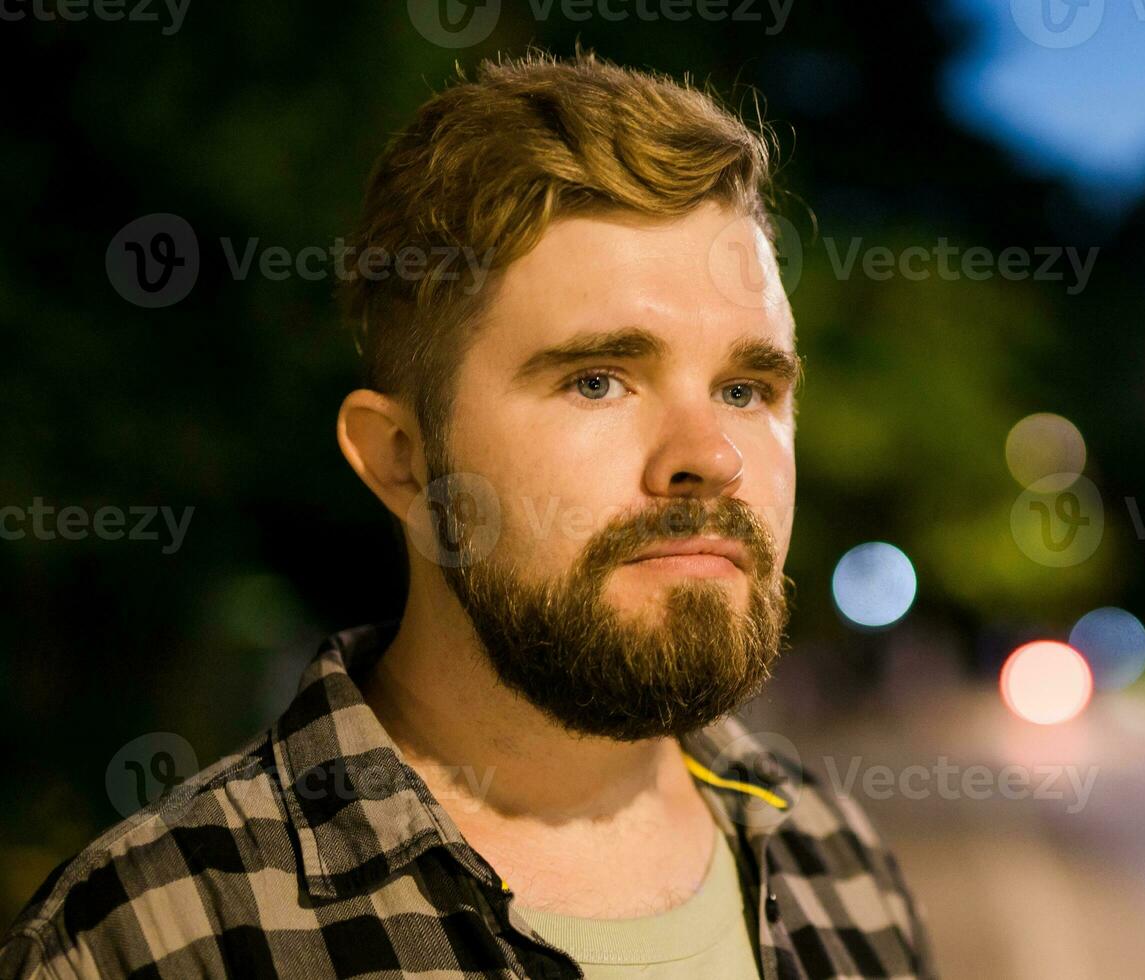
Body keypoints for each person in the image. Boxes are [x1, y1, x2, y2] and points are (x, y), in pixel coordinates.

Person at [1, 50, 933, 979]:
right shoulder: (155, 938)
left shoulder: (835, 860)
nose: (711, 456)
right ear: (402, 462)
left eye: (745, 388)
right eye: (598, 380)